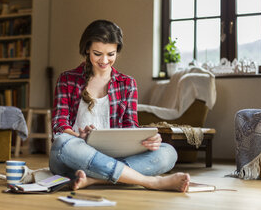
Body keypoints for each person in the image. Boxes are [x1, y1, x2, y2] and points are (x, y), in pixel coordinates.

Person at [49, 20, 190, 192]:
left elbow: (130, 127)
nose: (104, 60)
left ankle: (94, 180)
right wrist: (78, 136)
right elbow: (59, 125)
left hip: (112, 157)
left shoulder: (127, 83)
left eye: (111, 54)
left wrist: (148, 140)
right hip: (74, 157)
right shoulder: (67, 79)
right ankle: (150, 182)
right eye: (97, 53)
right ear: (86, 49)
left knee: (168, 152)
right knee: (63, 142)